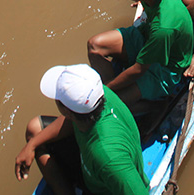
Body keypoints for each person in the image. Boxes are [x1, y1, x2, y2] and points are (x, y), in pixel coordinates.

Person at [14, 64, 148, 195]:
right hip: (92, 163)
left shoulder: (107, 157)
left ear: (66, 111)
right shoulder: (100, 94)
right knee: (34, 129)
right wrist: (32, 144)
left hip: (102, 184)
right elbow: (69, 119)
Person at [86, 0, 193, 110]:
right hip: (147, 34)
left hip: (165, 67)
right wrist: (142, 0)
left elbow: (139, 69)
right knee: (94, 45)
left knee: (112, 106)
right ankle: (111, 86)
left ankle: (153, 105)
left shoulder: (163, 28)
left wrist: (105, 91)